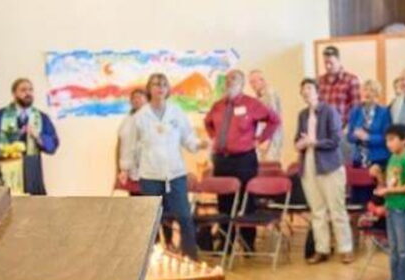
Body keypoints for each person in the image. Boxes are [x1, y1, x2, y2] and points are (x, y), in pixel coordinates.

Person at [118, 74, 208, 259]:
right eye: (156, 85)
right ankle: (147, 260)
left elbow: (188, 138)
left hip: (175, 174)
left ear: (168, 89)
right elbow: (130, 144)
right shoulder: (140, 116)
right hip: (150, 175)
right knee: (150, 219)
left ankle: (191, 258)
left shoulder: (176, 112)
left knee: (184, 216)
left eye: (163, 85)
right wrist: (124, 169)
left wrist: (199, 144)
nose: (160, 88)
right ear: (149, 89)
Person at [204, 69, 280, 252]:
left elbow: (274, 120)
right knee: (224, 202)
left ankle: (248, 244)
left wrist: (260, 139)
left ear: (242, 83)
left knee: (246, 202)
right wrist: (215, 138)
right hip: (222, 160)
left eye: (235, 80)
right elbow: (207, 122)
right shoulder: (218, 105)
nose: (230, 83)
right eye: (228, 80)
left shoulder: (251, 104)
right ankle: (226, 244)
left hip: (244, 159)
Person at [294, 78, 353, 264]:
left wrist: (314, 142)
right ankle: (322, 248)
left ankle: (346, 248)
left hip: (329, 165)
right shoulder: (303, 114)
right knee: (317, 210)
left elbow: (336, 139)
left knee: (337, 210)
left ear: (318, 91)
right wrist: (300, 144)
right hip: (309, 164)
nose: (306, 92)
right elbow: (298, 138)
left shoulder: (329, 111)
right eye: (303, 89)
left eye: (309, 88)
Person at [0, 78, 60, 195]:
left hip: (31, 171)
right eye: (23, 90)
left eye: (31, 90)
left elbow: (52, 145)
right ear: (14, 93)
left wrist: (38, 136)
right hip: (6, 171)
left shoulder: (41, 117)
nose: (28, 93)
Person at [376, 124, 405, 280]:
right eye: (387, 140)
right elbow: (390, 183)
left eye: (392, 140)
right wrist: (378, 176)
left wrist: (390, 191)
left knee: (404, 249)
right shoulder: (392, 157)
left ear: (404, 140)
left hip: (403, 207)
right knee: (393, 248)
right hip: (391, 206)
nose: (389, 144)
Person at [346, 79, 391, 169]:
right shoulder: (355, 111)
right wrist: (356, 135)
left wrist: (368, 137)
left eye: (371, 90)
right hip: (359, 157)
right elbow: (349, 137)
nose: (367, 93)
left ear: (377, 94)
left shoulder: (384, 112)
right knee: (358, 183)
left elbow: (387, 137)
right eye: (365, 90)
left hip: (378, 157)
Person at [316, 46, 361, 122]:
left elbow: (356, 108)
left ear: (339, 61)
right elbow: (317, 106)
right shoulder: (320, 80)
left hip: (343, 128)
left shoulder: (351, 79)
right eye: (326, 63)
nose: (328, 66)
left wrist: (348, 128)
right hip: (324, 128)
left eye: (331, 63)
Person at [248, 70, 284, 163]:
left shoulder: (269, 94)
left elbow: (273, 119)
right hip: (262, 138)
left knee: (269, 167)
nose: (252, 85)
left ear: (262, 80)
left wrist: (266, 139)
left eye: (254, 81)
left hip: (270, 138)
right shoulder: (258, 97)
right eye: (251, 82)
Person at [116, 88, 147, 188]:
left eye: (139, 97)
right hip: (127, 170)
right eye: (133, 98)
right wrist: (120, 169)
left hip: (145, 172)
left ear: (147, 100)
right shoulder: (127, 119)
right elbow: (120, 144)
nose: (136, 100)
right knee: (134, 200)